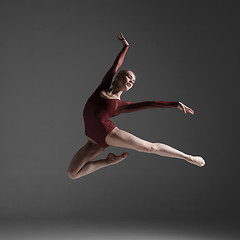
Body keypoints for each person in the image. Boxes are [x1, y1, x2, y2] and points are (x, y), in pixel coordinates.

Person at [67, 33, 205, 180]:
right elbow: (116, 65)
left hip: (108, 134)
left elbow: (152, 103)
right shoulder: (103, 86)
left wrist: (175, 104)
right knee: (72, 174)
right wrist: (126, 47)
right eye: (129, 77)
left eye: (133, 82)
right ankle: (109, 161)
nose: (132, 81)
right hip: (93, 141)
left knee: (149, 147)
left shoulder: (120, 105)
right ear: (119, 76)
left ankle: (188, 157)